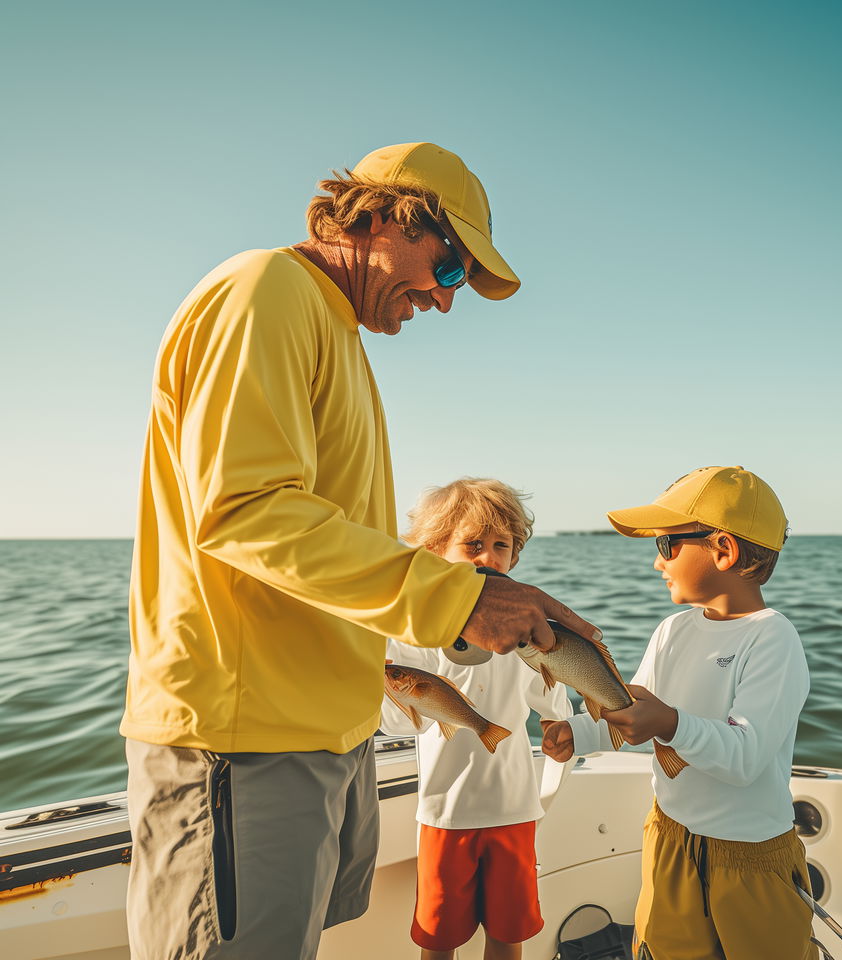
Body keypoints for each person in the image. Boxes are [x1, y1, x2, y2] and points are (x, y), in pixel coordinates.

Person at [121, 142, 599, 960]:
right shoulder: (265, 291)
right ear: (381, 217)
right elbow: (245, 510)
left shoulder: (333, 329)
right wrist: (461, 598)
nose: (445, 302)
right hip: (246, 736)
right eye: (448, 271)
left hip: (321, 733)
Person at [541, 466, 816, 960]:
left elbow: (744, 756)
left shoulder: (772, 637)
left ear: (724, 550)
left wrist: (670, 723)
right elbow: (633, 715)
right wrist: (579, 734)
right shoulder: (672, 630)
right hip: (670, 839)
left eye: (667, 544)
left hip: (750, 859)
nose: (656, 562)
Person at [380, 478, 573, 960]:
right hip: (445, 814)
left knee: (509, 935)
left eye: (501, 546)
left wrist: (558, 730)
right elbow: (401, 725)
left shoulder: (524, 636)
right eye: (473, 545)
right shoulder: (410, 636)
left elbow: (553, 700)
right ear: (433, 554)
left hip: (514, 811)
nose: (489, 556)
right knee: (438, 939)